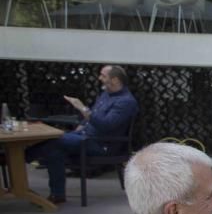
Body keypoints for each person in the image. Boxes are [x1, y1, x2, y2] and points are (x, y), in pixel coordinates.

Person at [27, 64, 138, 204]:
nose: (99, 78)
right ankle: (57, 195)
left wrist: (83, 108)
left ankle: (19, 158)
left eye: (103, 76)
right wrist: (81, 126)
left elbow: (106, 126)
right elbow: (93, 119)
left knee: (54, 141)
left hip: (102, 145)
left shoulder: (126, 102)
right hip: (86, 137)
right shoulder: (106, 94)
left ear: (115, 80)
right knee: (53, 148)